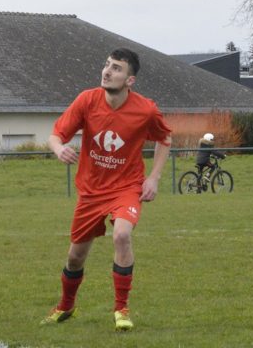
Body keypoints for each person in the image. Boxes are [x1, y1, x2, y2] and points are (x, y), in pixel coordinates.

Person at [42, 48, 173, 331]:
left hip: (126, 187)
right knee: (75, 257)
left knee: (122, 234)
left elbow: (165, 138)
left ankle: (121, 309)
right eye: (107, 65)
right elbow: (55, 136)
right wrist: (59, 149)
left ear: (130, 80)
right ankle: (66, 306)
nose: (107, 71)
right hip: (91, 191)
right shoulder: (87, 100)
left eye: (116, 68)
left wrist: (154, 178)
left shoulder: (145, 109)